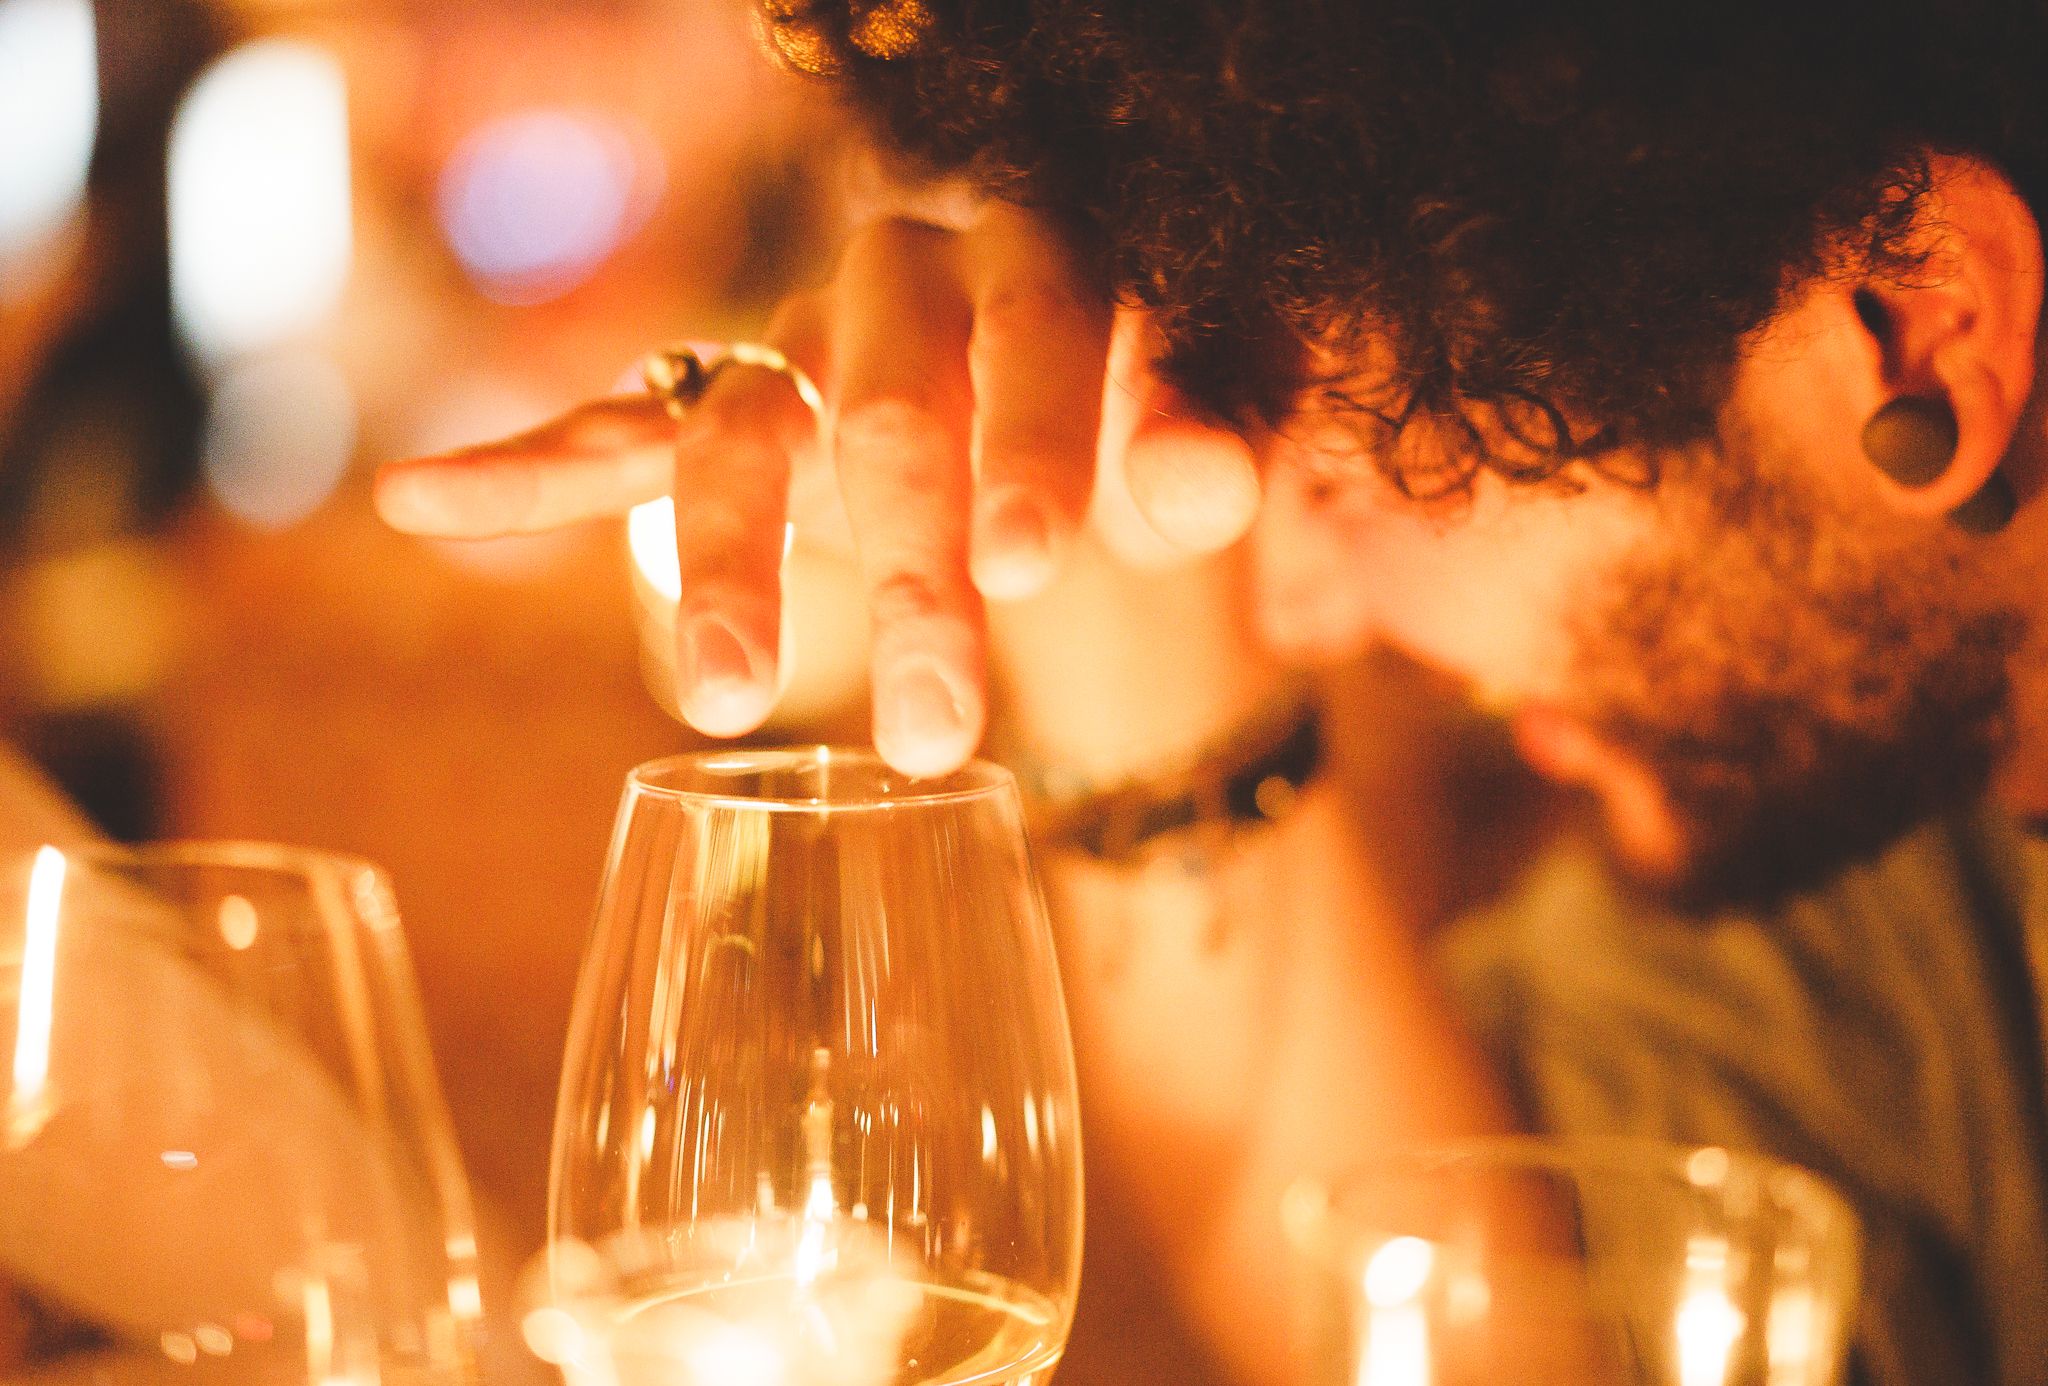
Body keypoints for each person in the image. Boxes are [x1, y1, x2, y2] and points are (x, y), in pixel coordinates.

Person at [376, 2, 2048, 1383]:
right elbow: (1484, 1331)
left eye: (1350, 463)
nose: (1299, 608)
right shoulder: (1879, 892)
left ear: (1916, 326)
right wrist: (1079, 548)